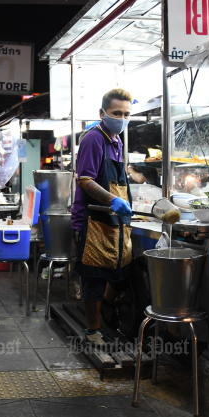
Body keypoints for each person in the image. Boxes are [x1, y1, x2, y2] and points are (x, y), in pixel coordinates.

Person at [71, 89, 134, 346]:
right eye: (117, 113)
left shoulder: (117, 141)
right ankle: (93, 330)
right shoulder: (93, 139)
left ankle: (106, 309)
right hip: (92, 220)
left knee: (121, 271)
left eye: (127, 114)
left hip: (113, 220)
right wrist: (113, 200)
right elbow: (85, 179)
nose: (122, 118)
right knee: (94, 277)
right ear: (102, 114)